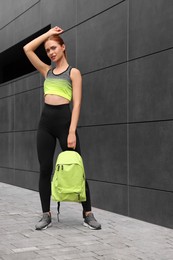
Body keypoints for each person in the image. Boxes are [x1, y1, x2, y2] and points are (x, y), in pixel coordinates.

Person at [23, 26, 101, 230]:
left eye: (54, 47)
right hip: (45, 124)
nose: (51, 52)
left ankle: (88, 213)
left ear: (63, 47)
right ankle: (46, 214)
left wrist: (72, 130)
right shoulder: (46, 71)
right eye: (48, 50)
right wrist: (47, 35)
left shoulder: (73, 72)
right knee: (44, 170)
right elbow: (27, 49)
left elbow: (77, 104)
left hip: (65, 123)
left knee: (78, 167)